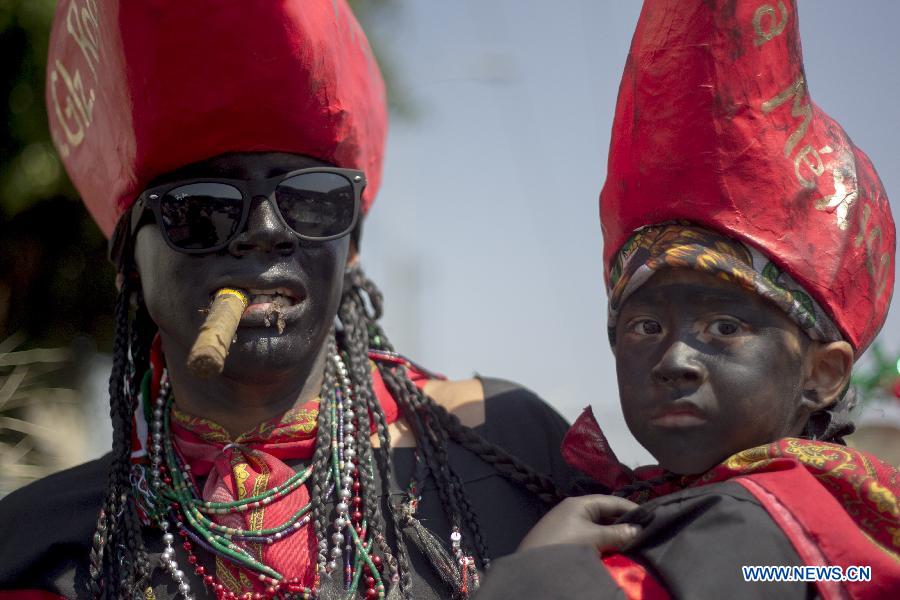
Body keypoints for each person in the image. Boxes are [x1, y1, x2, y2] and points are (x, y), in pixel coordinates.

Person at [0, 2, 576, 599]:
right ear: (129, 268)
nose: (268, 229)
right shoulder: (41, 550)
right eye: (203, 207)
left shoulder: (512, 447)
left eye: (313, 198)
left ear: (350, 250)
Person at [476, 0, 899, 598]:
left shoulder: (752, 527)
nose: (675, 360)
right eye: (645, 327)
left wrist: (541, 568)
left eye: (725, 328)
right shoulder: (831, 535)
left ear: (823, 373)